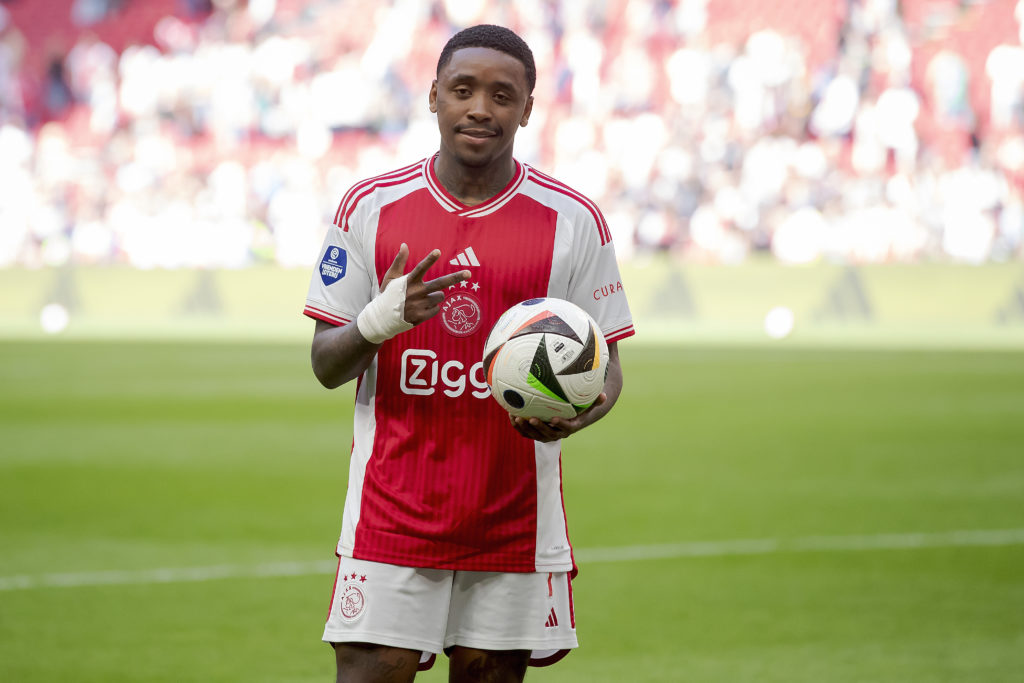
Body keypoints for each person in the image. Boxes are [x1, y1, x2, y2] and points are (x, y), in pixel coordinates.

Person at [303, 24, 634, 683]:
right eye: (463, 90)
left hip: (512, 519)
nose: (481, 107)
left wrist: (579, 411)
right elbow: (325, 364)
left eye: (502, 95)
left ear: (528, 108)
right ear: (433, 96)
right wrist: (380, 319)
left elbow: (609, 368)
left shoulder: (572, 220)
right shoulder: (371, 206)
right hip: (390, 513)